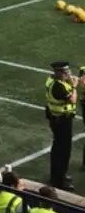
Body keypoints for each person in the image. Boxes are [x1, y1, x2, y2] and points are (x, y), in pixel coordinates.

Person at [45, 61, 77, 191]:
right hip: (61, 121)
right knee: (62, 151)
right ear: (59, 73)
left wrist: (70, 82)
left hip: (57, 119)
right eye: (65, 72)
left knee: (59, 149)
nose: (68, 74)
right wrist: (74, 86)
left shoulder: (51, 80)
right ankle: (59, 180)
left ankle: (58, 176)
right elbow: (72, 99)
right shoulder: (58, 87)